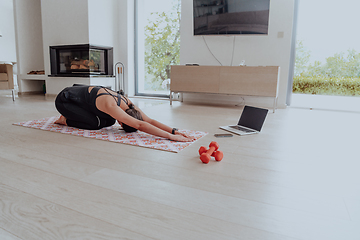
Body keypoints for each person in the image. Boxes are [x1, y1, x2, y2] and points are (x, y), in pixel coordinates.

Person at [54, 84, 195, 142]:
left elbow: (149, 121)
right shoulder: (111, 105)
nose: (119, 124)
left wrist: (174, 131)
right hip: (66, 100)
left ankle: (75, 115)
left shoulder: (129, 104)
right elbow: (140, 125)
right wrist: (170, 137)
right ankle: (64, 120)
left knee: (109, 121)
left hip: (84, 100)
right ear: (123, 121)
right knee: (95, 124)